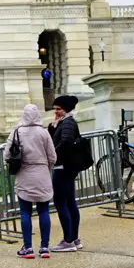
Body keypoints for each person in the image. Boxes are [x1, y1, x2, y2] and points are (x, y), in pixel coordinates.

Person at [3, 104, 56, 259]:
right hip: (42, 174)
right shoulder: (44, 132)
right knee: (44, 210)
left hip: (24, 174)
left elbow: (7, 155)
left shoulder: (17, 132)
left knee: (25, 212)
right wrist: (47, 167)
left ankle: (28, 247)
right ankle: (44, 247)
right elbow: (52, 156)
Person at [49, 94, 83, 252]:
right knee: (70, 202)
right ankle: (74, 238)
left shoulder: (68, 122)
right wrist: (53, 126)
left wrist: (53, 155)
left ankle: (68, 240)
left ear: (66, 109)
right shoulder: (64, 121)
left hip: (63, 167)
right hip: (67, 167)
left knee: (61, 202)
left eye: (59, 109)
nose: (55, 112)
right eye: (54, 109)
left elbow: (66, 142)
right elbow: (56, 138)